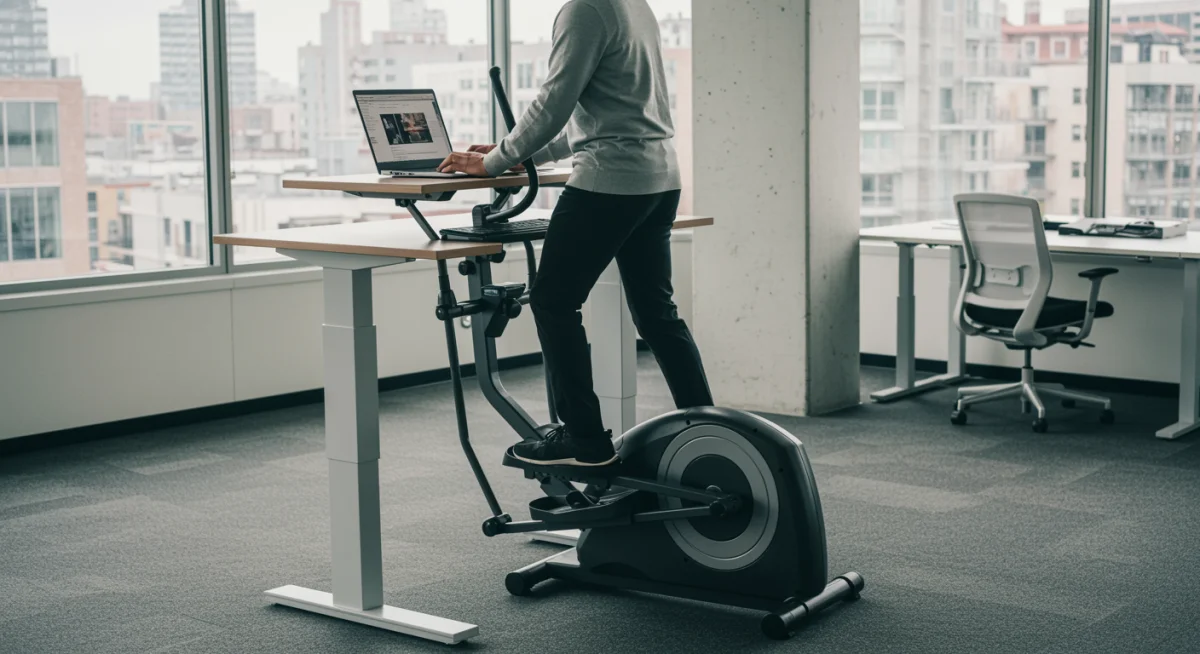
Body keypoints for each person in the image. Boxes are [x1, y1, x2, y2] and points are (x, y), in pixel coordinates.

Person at [437, 0, 712, 467]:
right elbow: (598, 113)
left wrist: (493, 162)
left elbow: (555, 101)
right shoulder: (632, 6)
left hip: (611, 178)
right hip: (659, 178)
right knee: (657, 315)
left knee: (553, 301)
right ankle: (714, 430)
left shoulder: (585, 8)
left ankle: (583, 436)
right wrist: (523, 157)